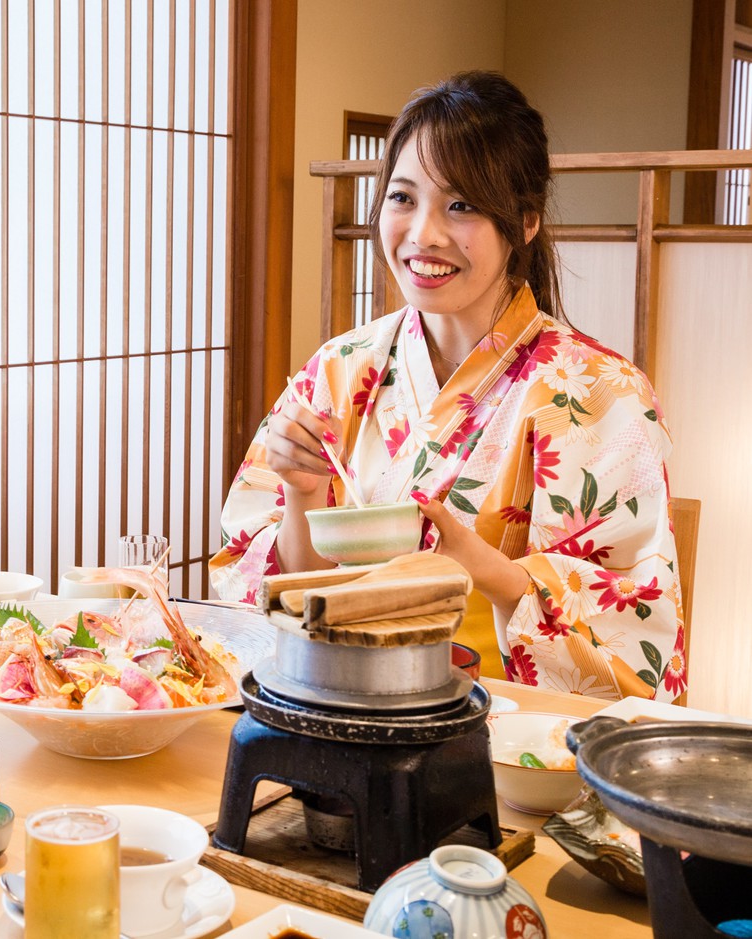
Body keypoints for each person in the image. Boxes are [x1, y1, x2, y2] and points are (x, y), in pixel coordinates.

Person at [211, 71, 686, 703]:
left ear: (524, 222)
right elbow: (272, 597)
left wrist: (478, 567)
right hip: (335, 704)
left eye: (460, 205)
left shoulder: (602, 395)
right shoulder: (338, 369)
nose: (423, 234)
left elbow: (636, 635)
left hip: (500, 731)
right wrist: (301, 496)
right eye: (403, 198)